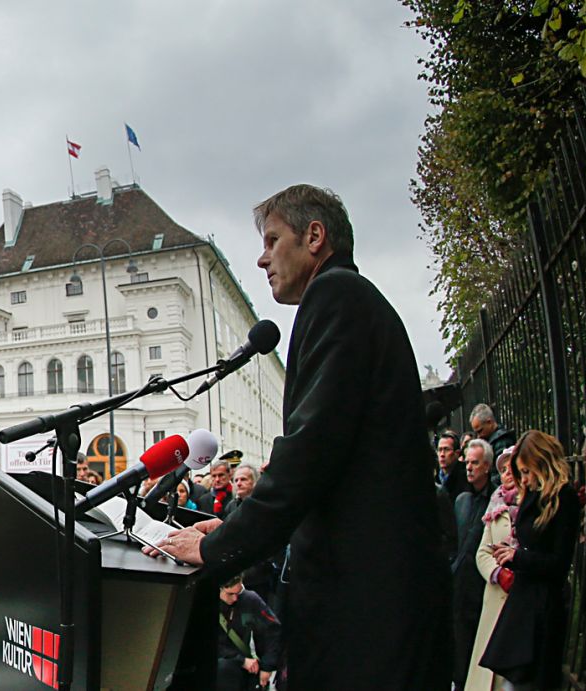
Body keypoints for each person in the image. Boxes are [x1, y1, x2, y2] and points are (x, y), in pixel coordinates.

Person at [149, 184, 451, 687]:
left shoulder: (336, 296)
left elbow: (310, 454)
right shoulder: (346, 299)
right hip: (375, 598)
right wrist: (229, 531)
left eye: (272, 240)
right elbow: (331, 470)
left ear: (314, 236)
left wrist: (219, 546)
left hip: (367, 608)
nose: (262, 258)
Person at [479, 431, 582, 687]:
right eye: (520, 472)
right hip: (523, 604)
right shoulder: (532, 495)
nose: (523, 479)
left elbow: (559, 564)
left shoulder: (563, 499)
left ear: (542, 463)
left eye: (527, 471)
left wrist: (518, 557)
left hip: (543, 608)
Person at [467, 447, 519, 691]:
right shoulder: (496, 501)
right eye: (503, 468)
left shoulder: (534, 503)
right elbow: (482, 552)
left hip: (519, 601)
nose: (507, 472)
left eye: (512, 466)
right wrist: (497, 573)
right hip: (496, 593)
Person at [451, 437, 497, 687]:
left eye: (475, 463)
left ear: (487, 466)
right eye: (467, 462)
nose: (469, 467)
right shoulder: (461, 501)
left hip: (483, 586)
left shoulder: (497, 501)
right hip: (460, 585)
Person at [216, 575, 280, 691]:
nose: (235, 598)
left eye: (239, 592)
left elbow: (272, 631)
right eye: (230, 594)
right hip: (223, 666)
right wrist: (240, 660)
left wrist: (267, 666)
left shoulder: (250, 600)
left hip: (246, 666)